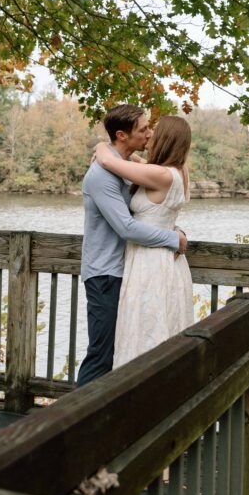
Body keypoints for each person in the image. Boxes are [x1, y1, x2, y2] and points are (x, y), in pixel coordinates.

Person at [76, 105, 187, 387]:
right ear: (123, 135)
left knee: (130, 348)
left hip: (132, 270)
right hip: (105, 274)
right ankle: (73, 426)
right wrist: (173, 237)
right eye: (144, 129)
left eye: (152, 129)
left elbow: (150, 209)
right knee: (102, 354)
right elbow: (126, 227)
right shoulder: (102, 175)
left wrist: (105, 148)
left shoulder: (130, 169)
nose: (149, 134)